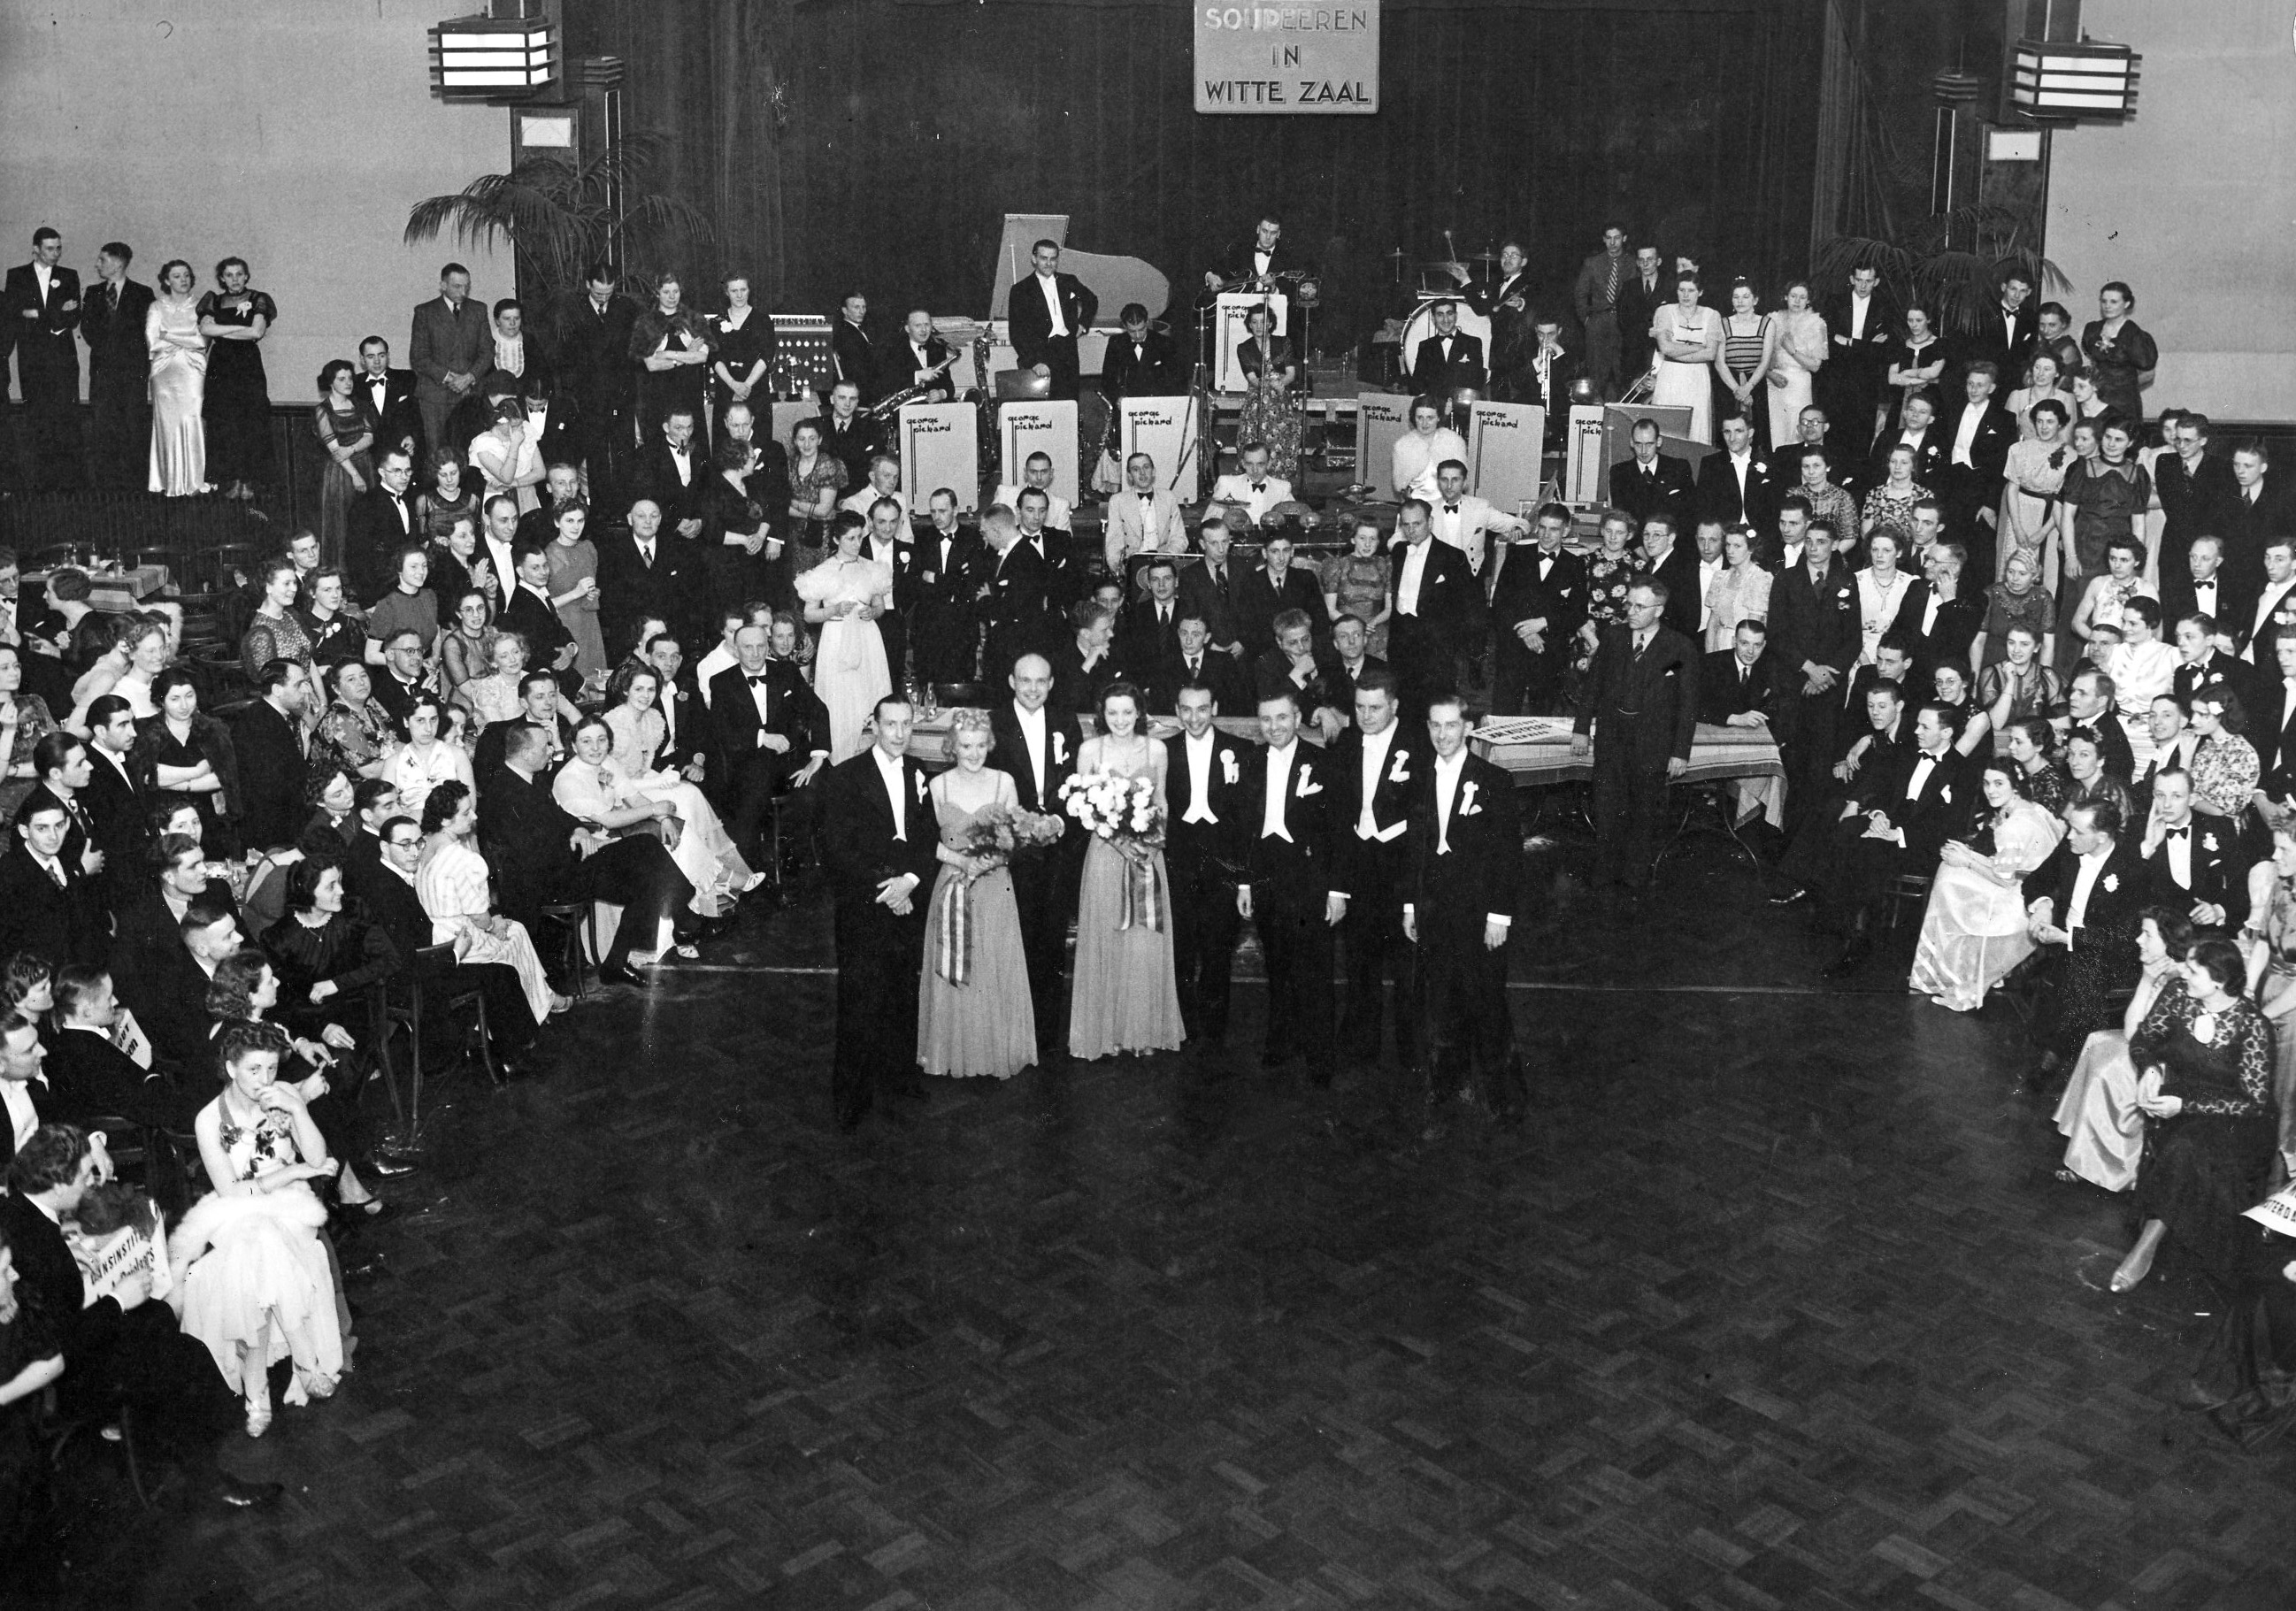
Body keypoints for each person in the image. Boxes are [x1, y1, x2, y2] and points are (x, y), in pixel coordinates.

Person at [171, 1022, 347, 1437]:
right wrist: (293, 1172)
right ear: (231, 1068)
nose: (264, 1079)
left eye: (271, 1068)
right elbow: (231, 1191)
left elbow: (317, 1157)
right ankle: (304, 1360)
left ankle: (257, 1391)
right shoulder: (209, 1119)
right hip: (237, 1207)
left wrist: (298, 1109)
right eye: (254, 1069)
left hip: (289, 1205)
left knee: (259, 1253)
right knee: (260, 1245)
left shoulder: (282, 1094)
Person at [2101, 937, 2277, 1293]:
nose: (2184, 974)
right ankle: (2160, 1234)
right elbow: (2143, 1040)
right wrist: (2150, 1069)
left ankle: (2145, 1247)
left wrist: (2187, 1106)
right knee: (2185, 1144)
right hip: (2180, 1105)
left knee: (2186, 1148)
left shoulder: (2252, 1025)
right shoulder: (2179, 996)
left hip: (2237, 1122)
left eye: (2194, 970)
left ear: (2219, 981)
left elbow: (2254, 1102)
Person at [1403, 691, 1524, 1123]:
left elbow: (1508, 856)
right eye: (1435, 726)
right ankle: (1449, 1083)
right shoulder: (1418, 778)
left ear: (1468, 728)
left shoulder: (1494, 780)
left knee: (1487, 1000)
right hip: (1435, 909)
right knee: (1442, 999)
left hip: (1479, 911)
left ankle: (1503, 1095)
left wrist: (1499, 917)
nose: (1442, 735)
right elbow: (1413, 850)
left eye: (1451, 725)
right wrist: (1410, 906)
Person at [818, 696, 938, 1128]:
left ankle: (899, 1077)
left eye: (906, 724)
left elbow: (927, 836)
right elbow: (839, 847)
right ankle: (851, 1096)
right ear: (874, 726)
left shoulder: (919, 772)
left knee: (903, 991)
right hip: (865, 902)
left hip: (908, 899)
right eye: (891, 724)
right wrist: (890, 884)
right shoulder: (846, 776)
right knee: (860, 999)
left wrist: (911, 881)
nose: (900, 733)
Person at [1060, 683, 1184, 1060]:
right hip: (1106, 855)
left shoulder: (1157, 749)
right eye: (1112, 712)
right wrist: (1119, 843)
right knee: (1107, 936)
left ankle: (1142, 1032)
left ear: (1139, 712)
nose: (1120, 720)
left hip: (1146, 856)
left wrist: (1153, 843)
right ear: (1102, 714)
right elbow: (1084, 810)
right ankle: (1106, 1032)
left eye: (1128, 712)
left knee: (1142, 941)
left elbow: (1161, 801)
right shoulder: (1089, 750)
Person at [913, 709, 1037, 1081]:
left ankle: (995, 1050)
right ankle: (953, 1050)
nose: (974, 753)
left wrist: (989, 862)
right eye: (966, 746)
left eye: (981, 745)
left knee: (992, 964)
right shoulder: (938, 786)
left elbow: (1017, 836)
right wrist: (960, 862)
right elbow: (925, 841)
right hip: (951, 884)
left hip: (995, 885)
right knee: (953, 962)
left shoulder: (1004, 781)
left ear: (990, 744)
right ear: (952, 746)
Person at [555, 714, 755, 920]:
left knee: (675, 832)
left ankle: (698, 901)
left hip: (613, 832)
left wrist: (664, 819)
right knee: (666, 845)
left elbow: (634, 798)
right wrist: (655, 810)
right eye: (586, 741)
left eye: (601, 740)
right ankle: (711, 889)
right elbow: (609, 820)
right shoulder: (569, 778)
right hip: (591, 846)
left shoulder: (607, 762)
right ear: (574, 746)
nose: (596, 748)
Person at [1573, 581, 1700, 902]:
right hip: (1612, 739)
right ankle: (1604, 873)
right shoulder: (1614, 637)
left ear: (1659, 610)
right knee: (1606, 806)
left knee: (1644, 812)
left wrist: (1680, 752)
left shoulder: (1679, 647)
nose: (1631, 611)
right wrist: (1581, 728)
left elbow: (1687, 703)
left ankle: (1635, 879)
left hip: (1653, 743)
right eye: (1629, 604)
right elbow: (1593, 685)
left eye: (1639, 607)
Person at [1235, 688, 1338, 1074]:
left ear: (1297, 719)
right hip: (1266, 873)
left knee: (1314, 966)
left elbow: (1335, 833)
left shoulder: (1321, 762)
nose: (1274, 726)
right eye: (1266, 719)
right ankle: (1280, 1041)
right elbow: (1243, 828)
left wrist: (1336, 890)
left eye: (1282, 717)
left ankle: (1320, 1054)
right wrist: (1244, 883)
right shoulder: (1249, 762)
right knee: (1277, 964)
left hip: (1309, 875)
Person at [1908, 759, 2065, 1010]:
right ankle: (1950, 971)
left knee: (1949, 883)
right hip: (2033, 886)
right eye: (1987, 783)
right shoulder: (2032, 809)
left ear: (2015, 787)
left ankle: (1954, 976)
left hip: (2025, 900)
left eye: (1999, 784)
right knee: (1951, 870)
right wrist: (1968, 855)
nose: (1991, 790)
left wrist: (1968, 861)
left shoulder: (2014, 826)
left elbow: (2006, 878)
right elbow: (2012, 867)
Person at [413, 780, 562, 1020]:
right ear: (445, 821)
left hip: (434, 938)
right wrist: (494, 926)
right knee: (516, 932)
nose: (473, 816)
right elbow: (479, 918)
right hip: (461, 940)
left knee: (515, 931)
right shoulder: (463, 859)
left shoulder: (422, 845)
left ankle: (543, 999)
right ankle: (532, 1010)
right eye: (465, 813)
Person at [796, 514, 895, 763]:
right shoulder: (823, 571)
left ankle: (873, 760)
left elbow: (880, 606)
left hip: (867, 638)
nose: (857, 543)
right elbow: (809, 615)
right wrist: (833, 610)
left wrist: (873, 612)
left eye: (860, 537)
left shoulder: (872, 568)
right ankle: (840, 761)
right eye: (850, 538)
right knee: (840, 700)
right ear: (836, 539)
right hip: (836, 639)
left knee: (870, 695)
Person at [193, 257, 275, 501]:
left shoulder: (259, 299)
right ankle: (232, 480)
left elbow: (257, 331)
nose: (235, 279)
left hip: (248, 366)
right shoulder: (213, 300)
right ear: (222, 278)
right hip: (221, 366)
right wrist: (240, 329)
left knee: (251, 422)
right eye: (229, 275)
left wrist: (222, 329)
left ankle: (249, 481)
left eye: (239, 274)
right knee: (224, 423)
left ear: (246, 276)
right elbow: (205, 330)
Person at [144, 257, 210, 496]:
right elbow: (153, 341)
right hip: (164, 372)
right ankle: (168, 480)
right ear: (166, 281)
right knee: (167, 425)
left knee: (192, 419)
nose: (183, 280)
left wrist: (168, 334)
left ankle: (195, 481)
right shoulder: (156, 307)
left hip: (193, 370)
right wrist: (185, 338)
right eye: (177, 276)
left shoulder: (202, 305)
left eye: (186, 275)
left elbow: (201, 341)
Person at [1007, 239, 1097, 402]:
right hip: (1040, 355)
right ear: (1034, 259)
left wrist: (1082, 325)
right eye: (1044, 258)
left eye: (1053, 258)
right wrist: (1034, 362)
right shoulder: (1020, 290)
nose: (1049, 263)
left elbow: (1091, 300)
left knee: (1069, 403)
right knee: (1043, 407)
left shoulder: (1069, 281)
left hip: (1068, 353)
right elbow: (1017, 332)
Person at [312, 359, 375, 571]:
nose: (348, 382)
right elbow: (335, 450)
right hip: (341, 472)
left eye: (350, 378)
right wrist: (355, 476)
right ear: (330, 382)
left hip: (365, 464)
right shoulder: (323, 410)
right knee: (341, 522)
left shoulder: (359, 405)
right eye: (342, 379)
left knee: (366, 521)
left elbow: (369, 437)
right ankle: (341, 573)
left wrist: (352, 449)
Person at [1232, 303, 1302, 481]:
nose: (1259, 326)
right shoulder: (1243, 348)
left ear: (1270, 323)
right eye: (1254, 322)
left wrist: (1281, 384)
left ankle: (1279, 478)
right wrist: (1271, 384)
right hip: (1258, 397)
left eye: (1263, 322)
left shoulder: (1283, 342)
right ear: (1249, 325)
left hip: (1280, 396)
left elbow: (1291, 374)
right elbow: (1253, 379)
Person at [1650, 275, 1719, 444]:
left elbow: (1711, 354)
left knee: (1697, 428)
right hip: (1670, 375)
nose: (1686, 295)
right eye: (1682, 290)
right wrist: (1699, 348)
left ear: (1700, 292)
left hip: (1698, 377)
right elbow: (1665, 348)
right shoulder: (1665, 311)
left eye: (1691, 291)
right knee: (1667, 427)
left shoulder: (1712, 315)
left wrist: (1677, 349)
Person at [382, 693, 472, 821]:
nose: (428, 728)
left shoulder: (457, 755)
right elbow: (387, 812)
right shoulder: (393, 763)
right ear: (406, 722)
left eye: (433, 719)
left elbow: (470, 806)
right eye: (420, 720)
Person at [2081, 281, 2158, 430]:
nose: (2107, 306)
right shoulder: (2092, 330)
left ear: (2127, 304)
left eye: (2113, 302)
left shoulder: (2135, 335)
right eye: (2104, 301)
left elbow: (2149, 373)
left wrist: (2122, 387)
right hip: (2096, 398)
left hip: (2123, 403)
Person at [709, 272, 775, 441]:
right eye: (734, 291)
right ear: (726, 292)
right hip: (727, 389)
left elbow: (766, 355)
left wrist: (746, 385)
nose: (739, 295)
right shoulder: (716, 322)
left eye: (743, 290)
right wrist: (733, 384)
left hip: (755, 390)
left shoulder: (763, 320)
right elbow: (714, 357)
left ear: (749, 291)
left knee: (759, 442)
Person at [1714, 280, 1779, 444]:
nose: (1740, 301)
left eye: (1745, 296)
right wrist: (1738, 390)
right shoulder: (1722, 323)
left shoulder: (1767, 323)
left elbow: (1765, 361)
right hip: (1728, 386)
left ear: (1755, 300)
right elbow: (1719, 363)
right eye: (1736, 297)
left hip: (1755, 385)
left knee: (1758, 434)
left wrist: (1748, 388)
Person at [1763, 281, 1827, 450]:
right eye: (1793, 296)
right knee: (1776, 428)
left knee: (1797, 427)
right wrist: (1770, 374)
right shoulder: (1773, 319)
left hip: (1799, 382)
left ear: (1809, 300)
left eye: (1802, 297)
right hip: (1775, 381)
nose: (1797, 301)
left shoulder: (1816, 323)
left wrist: (1792, 351)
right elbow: (1763, 356)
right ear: (1786, 297)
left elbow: (1815, 366)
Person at [1390, 396, 1469, 505]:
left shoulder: (1454, 442)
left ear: (1439, 418)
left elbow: (1461, 482)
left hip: (1446, 505)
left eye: (1430, 418)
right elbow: (1400, 486)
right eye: (1420, 418)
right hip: (1414, 506)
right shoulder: (1402, 446)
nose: (1424, 423)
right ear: (1414, 418)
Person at [1703, 525, 1770, 652]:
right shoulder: (1720, 577)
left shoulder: (1759, 579)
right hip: (1719, 643)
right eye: (1728, 545)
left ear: (1751, 549)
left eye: (1737, 546)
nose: (1730, 551)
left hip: (1743, 647)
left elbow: (1752, 630)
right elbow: (1712, 624)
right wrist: (1710, 655)